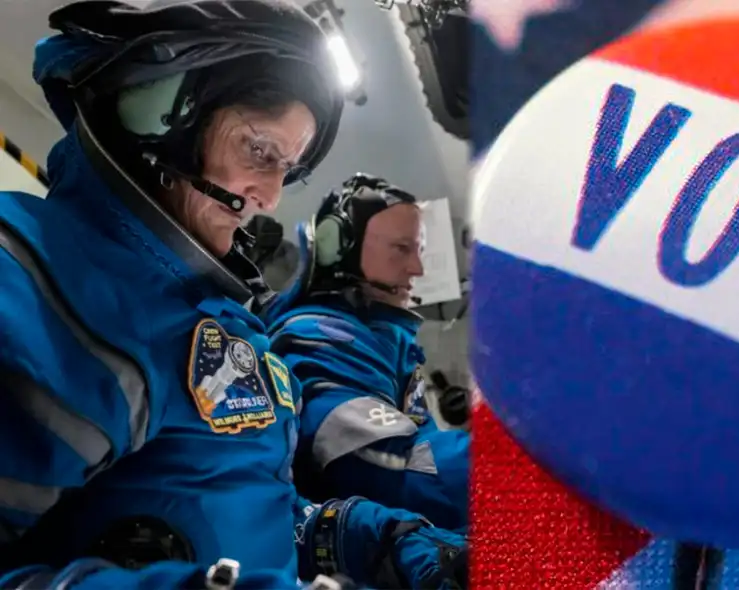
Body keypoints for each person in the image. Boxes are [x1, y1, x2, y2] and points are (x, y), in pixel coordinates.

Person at [0, 1, 465, 588]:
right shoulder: (33, 279)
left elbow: (248, 508)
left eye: (287, 167)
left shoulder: (222, 326)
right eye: (260, 150)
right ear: (161, 114)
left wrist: (379, 541)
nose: (271, 196)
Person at [265, 174, 470, 533]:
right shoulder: (316, 338)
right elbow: (396, 466)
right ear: (335, 247)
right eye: (401, 249)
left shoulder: (387, 339)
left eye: (419, 250)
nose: (417, 269)